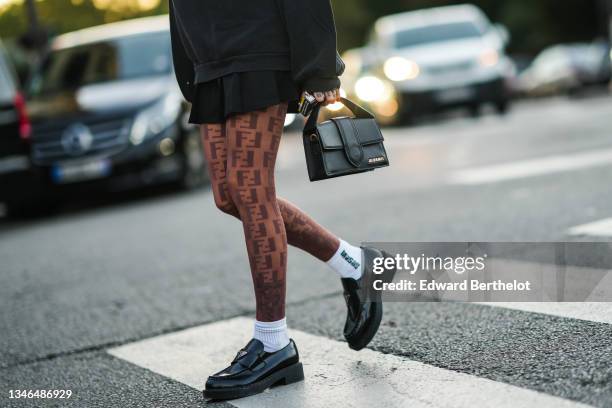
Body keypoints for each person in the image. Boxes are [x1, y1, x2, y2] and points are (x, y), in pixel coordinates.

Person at [169, 0, 392, 400]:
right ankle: (357, 264)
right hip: (210, 61)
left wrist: (319, 65)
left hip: (258, 50)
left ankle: (273, 343)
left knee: (251, 189)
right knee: (229, 196)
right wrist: (189, 66)